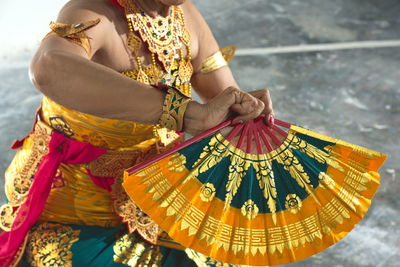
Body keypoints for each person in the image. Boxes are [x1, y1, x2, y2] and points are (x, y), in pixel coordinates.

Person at [0, 0, 274, 266]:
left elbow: (222, 97)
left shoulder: (184, 14)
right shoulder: (94, 13)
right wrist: (187, 113)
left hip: (161, 198)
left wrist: (245, 109)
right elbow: (49, 68)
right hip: (80, 216)